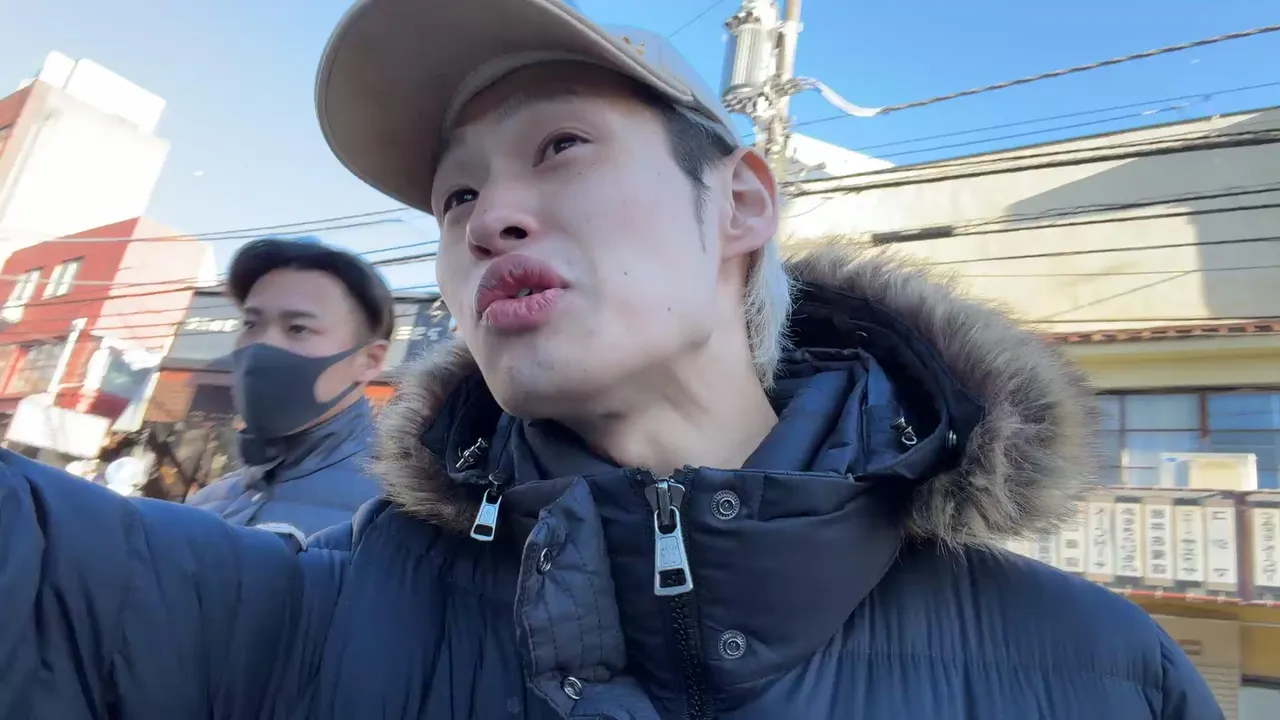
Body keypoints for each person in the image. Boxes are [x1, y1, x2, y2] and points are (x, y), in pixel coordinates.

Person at [0, 1, 1219, 718]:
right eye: (455, 194)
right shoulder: (319, 615)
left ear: (739, 204)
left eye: (562, 146)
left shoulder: (1099, 673)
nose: (488, 219)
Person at [185, 237, 388, 536]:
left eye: (298, 328)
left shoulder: (397, 512)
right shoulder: (207, 503)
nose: (261, 346)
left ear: (370, 360)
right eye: (251, 324)